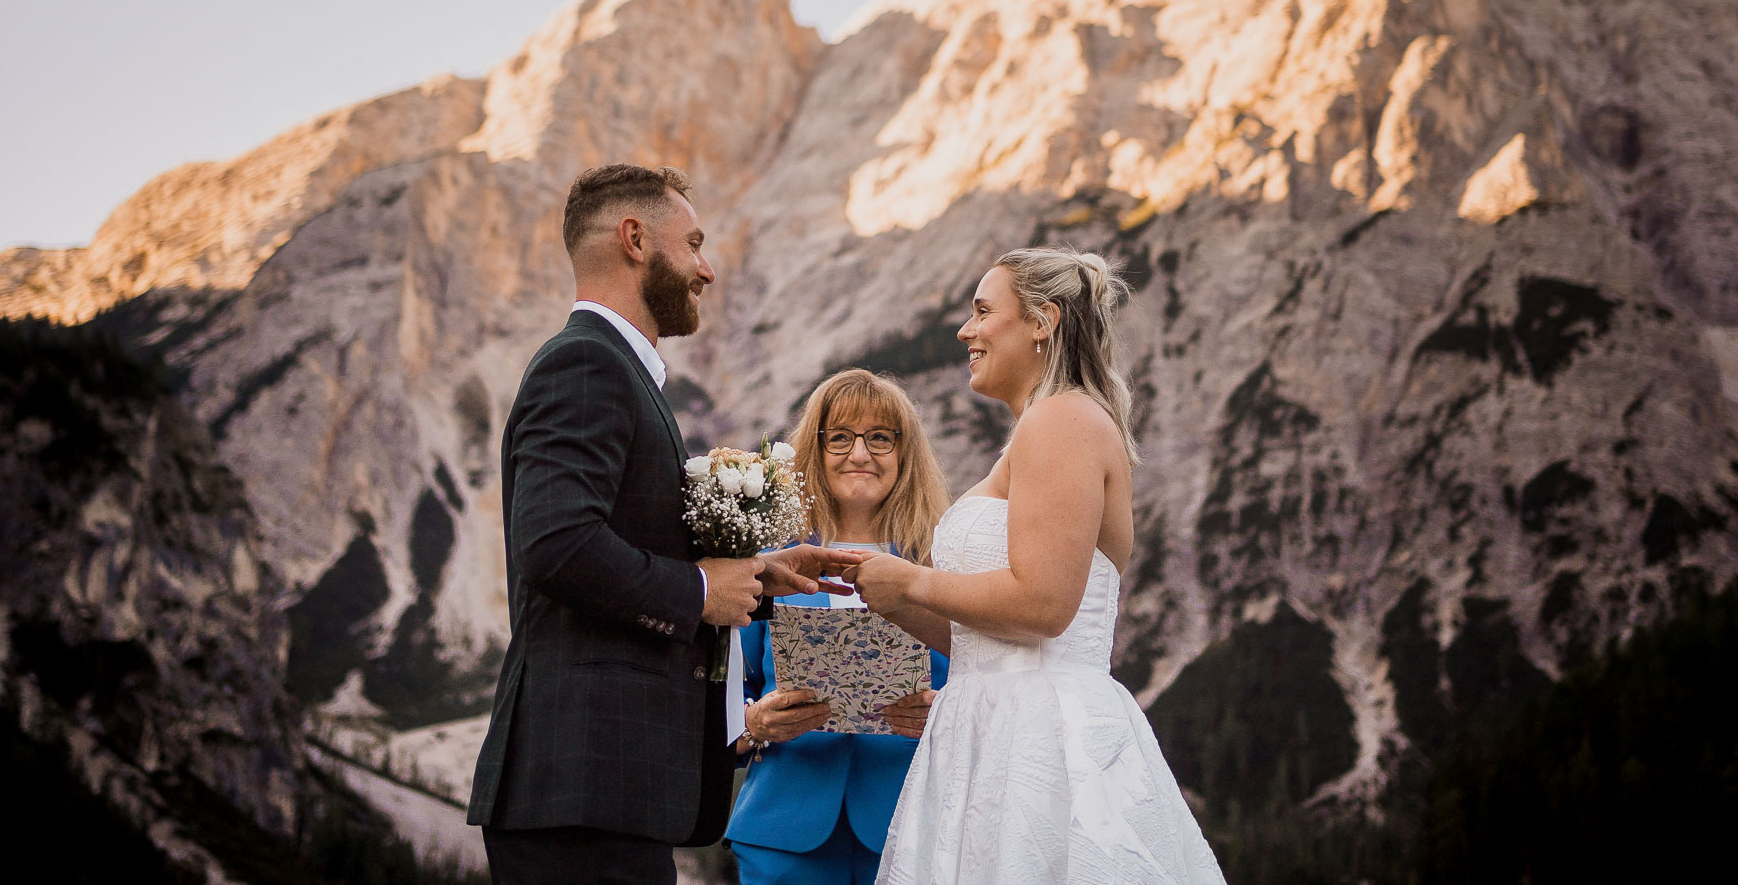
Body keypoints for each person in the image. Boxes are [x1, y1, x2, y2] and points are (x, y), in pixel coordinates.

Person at [468, 164, 864, 885]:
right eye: (694, 244)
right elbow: (554, 544)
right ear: (634, 239)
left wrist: (756, 578)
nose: (706, 269)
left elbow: (614, 537)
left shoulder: (616, 369)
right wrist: (696, 592)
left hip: (604, 790)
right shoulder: (586, 364)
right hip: (580, 782)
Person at [848, 248, 1228, 884]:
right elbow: (990, 636)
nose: (966, 331)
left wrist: (913, 578)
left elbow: (1046, 607)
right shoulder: (1037, 429)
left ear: (1043, 321)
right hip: (992, 725)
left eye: (983, 312)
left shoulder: (1063, 420)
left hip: (1042, 741)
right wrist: (897, 600)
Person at [726, 370, 953, 885]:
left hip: (914, 827)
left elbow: (987, 684)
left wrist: (948, 713)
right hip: (784, 831)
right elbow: (716, 700)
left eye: (879, 437)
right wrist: (754, 724)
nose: (860, 454)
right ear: (815, 450)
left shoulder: (944, 564)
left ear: (904, 453)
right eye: (841, 437)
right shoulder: (767, 565)